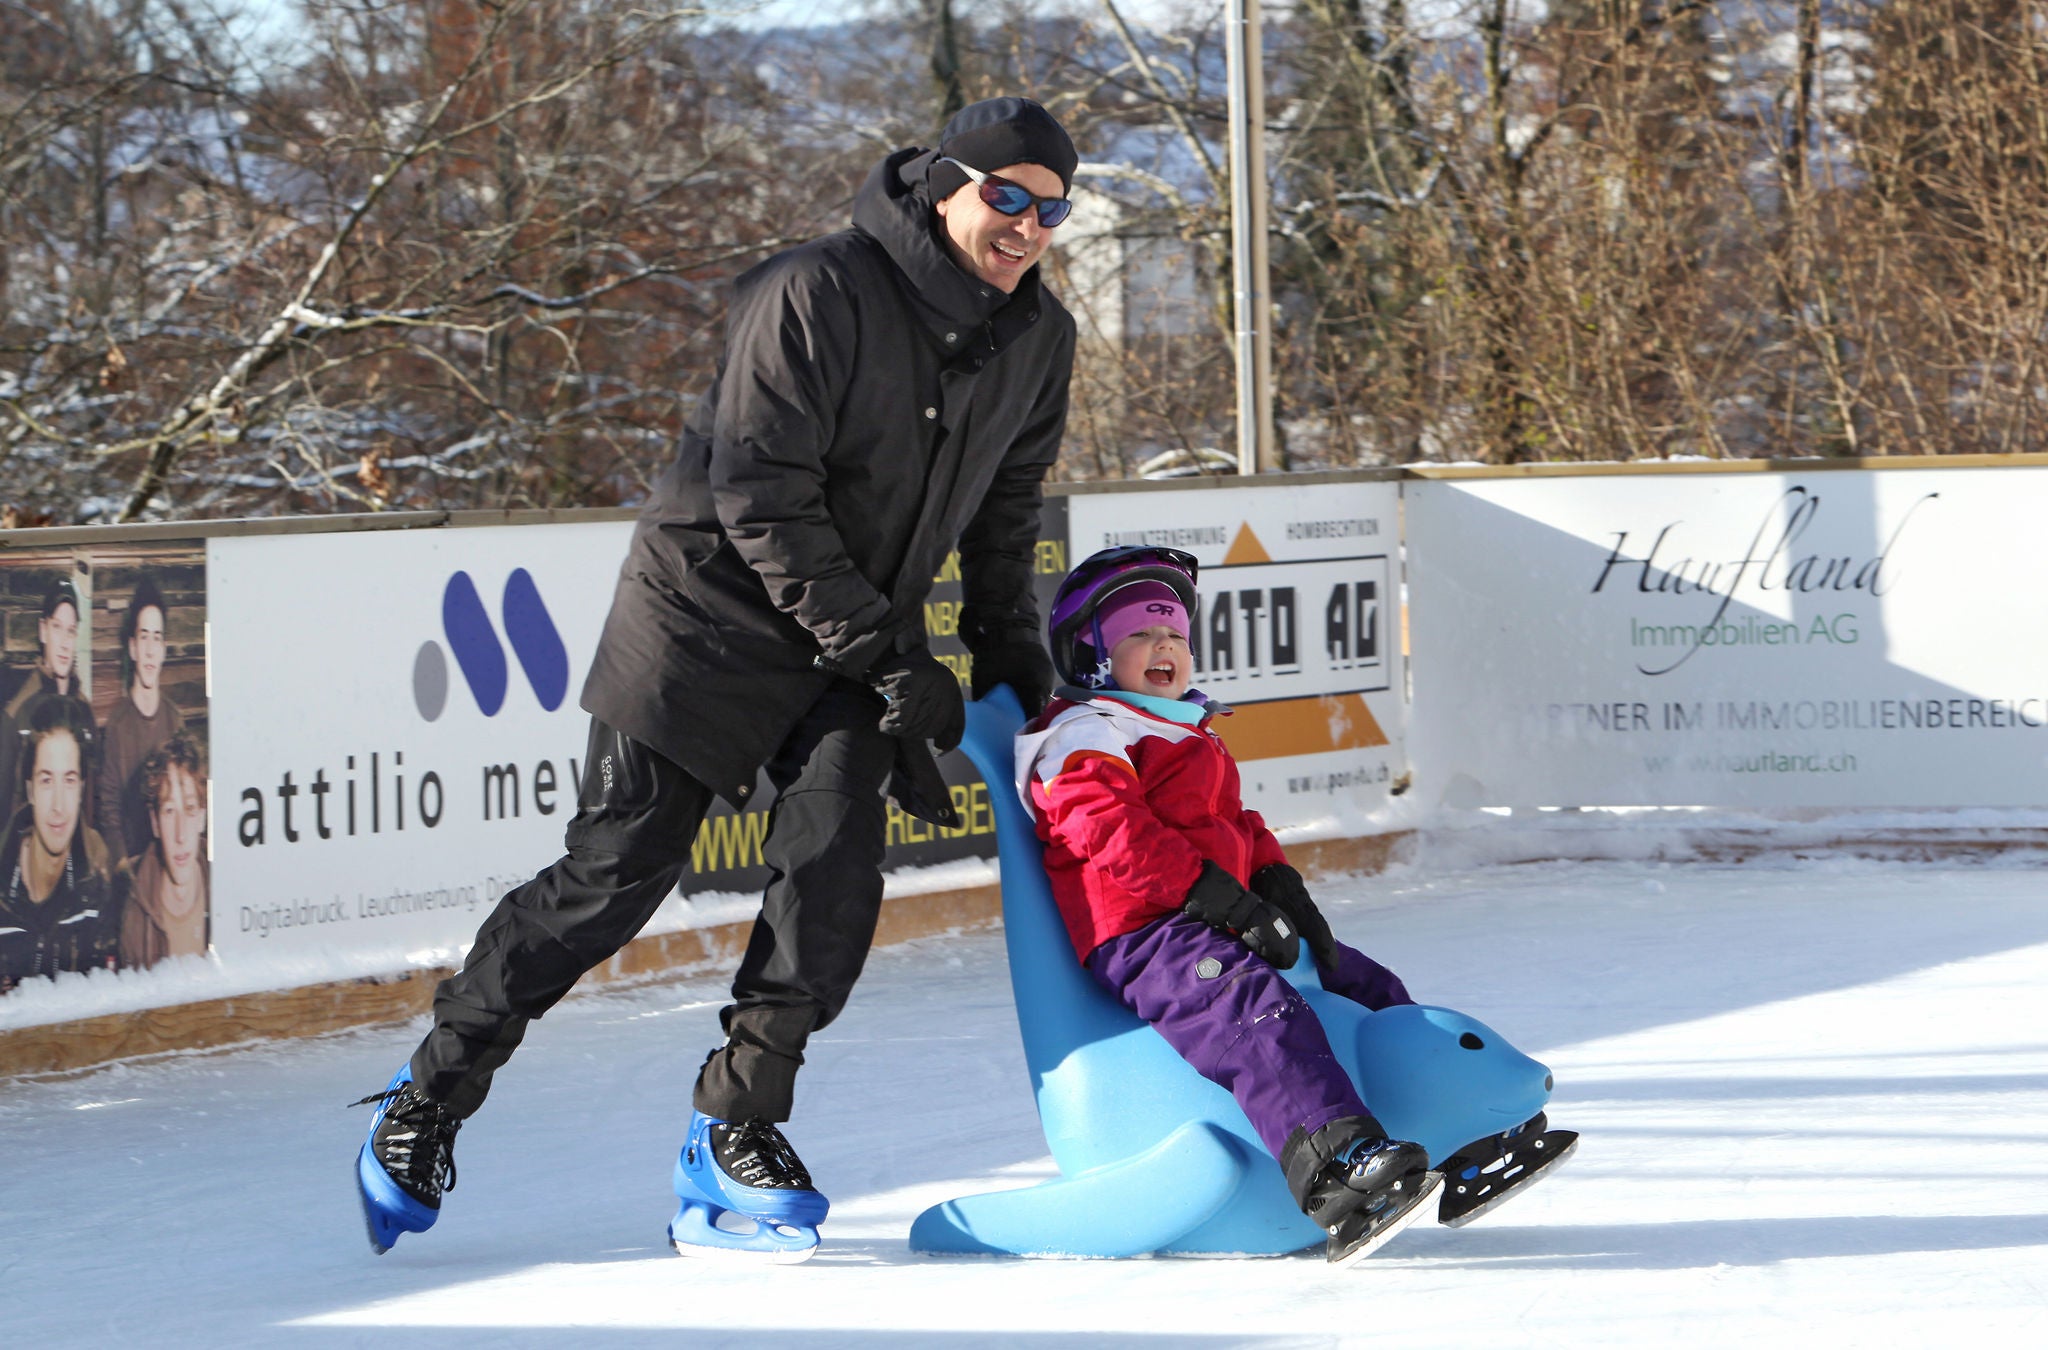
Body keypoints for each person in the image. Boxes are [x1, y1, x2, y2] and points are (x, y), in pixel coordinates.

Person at [354, 96, 1077, 1262]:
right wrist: (890, 654)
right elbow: (759, 495)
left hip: (850, 636)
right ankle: (426, 1096)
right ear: (944, 184)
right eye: (1006, 196)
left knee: (833, 873)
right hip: (704, 617)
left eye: (1050, 207)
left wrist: (1006, 649)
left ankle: (733, 1126)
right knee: (613, 878)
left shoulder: (1037, 339)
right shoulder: (814, 291)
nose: (1027, 225)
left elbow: (1005, 505)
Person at [1015, 545, 1440, 1263]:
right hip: (1145, 932)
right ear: (1091, 653)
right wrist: (1218, 900)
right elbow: (1109, 831)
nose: (1165, 648)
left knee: (1364, 985)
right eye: (1141, 636)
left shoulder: (1186, 730)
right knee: (1253, 1011)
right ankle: (1333, 1167)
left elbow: (1239, 825)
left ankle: (1448, 1126)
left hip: (1215, 913)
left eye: (1176, 635)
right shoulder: (1083, 732)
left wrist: (1281, 888)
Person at [0, 698, 117, 991]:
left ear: (81, 789)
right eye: (46, 780)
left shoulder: (97, 884)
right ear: (30, 790)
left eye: (69, 780)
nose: (58, 805)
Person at [97, 577, 186, 862]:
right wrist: (123, 866)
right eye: (144, 636)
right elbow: (108, 807)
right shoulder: (118, 724)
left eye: (157, 638)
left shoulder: (175, 720)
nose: (150, 649)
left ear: (163, 649)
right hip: (133, 865)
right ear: (133, 648)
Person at [0, 578, 97, 830]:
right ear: (43, 631)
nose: (65, 643)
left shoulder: (84, 710)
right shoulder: (17, 713)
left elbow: (91, 801)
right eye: (57, 627)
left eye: (71, 630)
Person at [116, 734, 208, 969]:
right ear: (155, 823)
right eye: (169, 811)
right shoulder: (131, 904)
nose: (180, 835)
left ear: (202, 817)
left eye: (189, 809)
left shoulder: (226, 888)